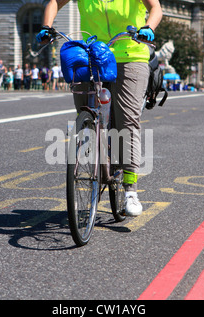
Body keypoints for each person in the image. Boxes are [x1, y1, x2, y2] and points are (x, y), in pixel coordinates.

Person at [37, 0, 162, 216]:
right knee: (87, 111)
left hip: (130, 54)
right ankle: (96, 148)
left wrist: (148, 28)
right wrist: (46, 27)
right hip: (94, 55)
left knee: (126, 121)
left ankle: (130, 191)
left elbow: (156, 8)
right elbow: (55, 2)